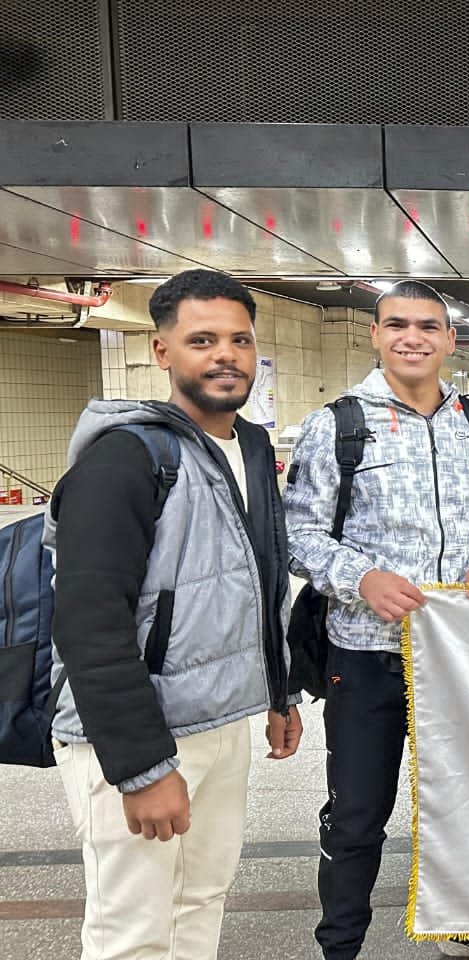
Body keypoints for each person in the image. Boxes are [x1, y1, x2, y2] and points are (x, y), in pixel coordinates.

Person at [45, 269, 302, 960]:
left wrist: (279, 692)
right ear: (162, 351)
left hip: (222, 720)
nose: (226, 355)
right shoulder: (125, 458)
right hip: (139, 733)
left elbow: (261, 580)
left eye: (240, 340)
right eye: (203, 340)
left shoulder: (252, 448)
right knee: (132, 930)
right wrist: (141, 766)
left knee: (200, 899)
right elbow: (89, 621)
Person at [285, 280, 469, 960]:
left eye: (426, 326)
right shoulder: (337, 425)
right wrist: (360, 577)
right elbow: (298, 533)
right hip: (366, 655)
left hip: (459, 656)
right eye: (397, 325)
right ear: (375, 334)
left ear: (450, 339)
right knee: (357, 814)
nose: (411, 337)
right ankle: (340, 947)